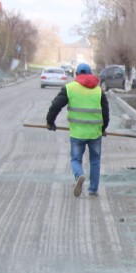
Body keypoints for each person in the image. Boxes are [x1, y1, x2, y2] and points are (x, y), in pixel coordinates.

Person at [46, 63, 110, 198]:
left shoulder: (69, 88)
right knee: (95, 161)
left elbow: (55, 106)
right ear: (91, 73)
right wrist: (103, 128)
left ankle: (79, 175)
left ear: (76, 74)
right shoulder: (99, 91)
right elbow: (106, 112)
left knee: (76, 159)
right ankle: (93, 189)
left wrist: (50, 122)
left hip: (77, 133)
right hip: (94, 133)